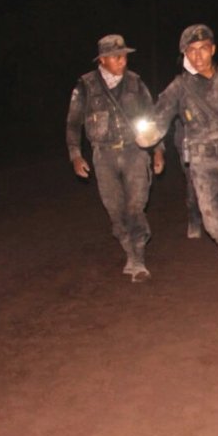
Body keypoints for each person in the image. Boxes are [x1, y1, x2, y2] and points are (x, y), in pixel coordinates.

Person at [136, 24, 218, 323]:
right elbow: (159, 116)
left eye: (203, 48)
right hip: (204, 169)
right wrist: (147, 135)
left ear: (213, 49)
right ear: (185, 54)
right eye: (191, 51)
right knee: (217, 227)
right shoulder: (179, 87)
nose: (198, 56)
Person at [65, 34, 164, 283]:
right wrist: (75, 155)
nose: (122, 61)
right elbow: (73, 123)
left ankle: (138, 258)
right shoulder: (85, 86)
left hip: (134, 151)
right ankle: (129, 250)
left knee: (136, 205)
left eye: (124, 56)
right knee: (115, 208)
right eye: (116, 57)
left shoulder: (135, 83)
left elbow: (152, 117)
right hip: (104, 155)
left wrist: (158, 150)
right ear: (103, 60)